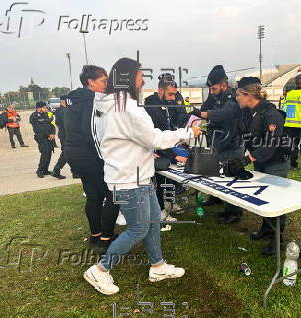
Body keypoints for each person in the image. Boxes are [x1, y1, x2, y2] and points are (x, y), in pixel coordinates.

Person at [83, 57, 201, 295]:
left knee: (154, 221)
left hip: (139, 175)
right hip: (128, 179)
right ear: (128, 79)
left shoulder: (115, 103)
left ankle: (157, 266)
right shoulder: (124, 107)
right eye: (139, 75)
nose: (143, 79)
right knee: (138, 229)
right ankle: (100, 270)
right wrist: (187, 133)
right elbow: (154, 138)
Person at [64, 65, 120, 254]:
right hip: (88, 154)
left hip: (74, 152)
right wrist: (107, 154)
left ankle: (95, 235)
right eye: (103, 81)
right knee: (113, 193)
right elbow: (91, 133)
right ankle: (106, 238)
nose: (107, 84)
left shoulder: (74, 99)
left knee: (93, 194)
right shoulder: (89, 100)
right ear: (91, 82)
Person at [236, 77, 290, 256]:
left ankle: (278, 238)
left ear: (248, 95)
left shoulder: (271, 114)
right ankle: (267, 228)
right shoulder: (250, 113)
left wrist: (249, 159)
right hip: (261, 162)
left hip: (275, 162)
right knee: (265, 196)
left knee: (277, 199)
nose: (237, 98)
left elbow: (271, 144)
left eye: (238, 95)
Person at [193, 65, 246, 224]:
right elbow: (205, 108)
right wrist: (206, 106)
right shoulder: (214, 96)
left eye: (214, 88)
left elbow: (222, 114)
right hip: (217, 142)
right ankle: (216, 198)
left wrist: (200, 113)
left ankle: (234, 211)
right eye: (209, 88)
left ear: (224, 85)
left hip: (232, 144)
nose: (211, 91)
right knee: (217, 174)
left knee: (232, 179)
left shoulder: (233, 98)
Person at [144, 73, 189, 221]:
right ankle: (161, 211)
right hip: (156, 150)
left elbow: (168, 130)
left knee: (170, 178)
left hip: (166, 147)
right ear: (160, 90)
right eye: (170, 94)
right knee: (160, 180)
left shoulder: (166, 104)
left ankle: (170, 202)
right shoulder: (151, 107)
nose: (172, 98)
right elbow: (157, 138)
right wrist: (173, 155)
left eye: (174, 95)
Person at [282, 74, 301, 170]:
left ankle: (292, 164)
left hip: (289, 123)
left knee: (292, 145)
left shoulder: (289, 93)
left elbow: (286, 108)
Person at [29, 101, 55, 178]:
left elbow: (51, 125)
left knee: (49, 152)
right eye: (44, 107)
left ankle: (45, 170)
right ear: (39, 108)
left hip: (49, 136)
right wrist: (48, 134)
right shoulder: (34, 116)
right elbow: (40, 128)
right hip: (41, 137)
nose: (46, 108)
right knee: (45, 153)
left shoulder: (46, 114)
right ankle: (40, 170)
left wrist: (53, 133)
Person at [50, 95, 69, 179]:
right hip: (67, 135)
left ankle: (75, 172)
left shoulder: (58, 110)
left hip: (63, 134)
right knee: (66, 153)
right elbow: (66, 123)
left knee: (69, 153)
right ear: (64, 101)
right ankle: (56, 170)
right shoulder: (64, 110)